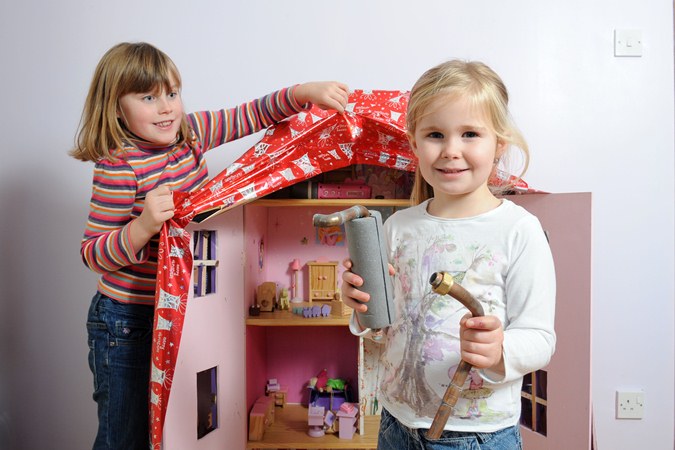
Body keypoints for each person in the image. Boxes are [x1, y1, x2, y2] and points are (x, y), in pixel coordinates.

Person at [71, 41, 349, 450]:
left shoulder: (191, 133)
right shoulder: (119, 166)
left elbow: (250, 115)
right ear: (116, 107)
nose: (166, 107)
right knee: (124, 435)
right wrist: (144, 224)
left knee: (178, 429)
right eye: (148, 97)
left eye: (172, 93)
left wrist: (302, 93)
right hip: (128, 321)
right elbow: (92, 253)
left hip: (184, 313)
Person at [340, 60, 556, 449]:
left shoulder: (518, 231)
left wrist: (499, 351)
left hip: (478, 434)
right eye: (435, 134)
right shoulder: (397, 227)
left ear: (499, 145)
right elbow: (381, 329)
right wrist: (360, 306)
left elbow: (540, 338)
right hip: (395, 424)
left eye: (470, 133)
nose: (451, 150)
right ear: (414, 144)